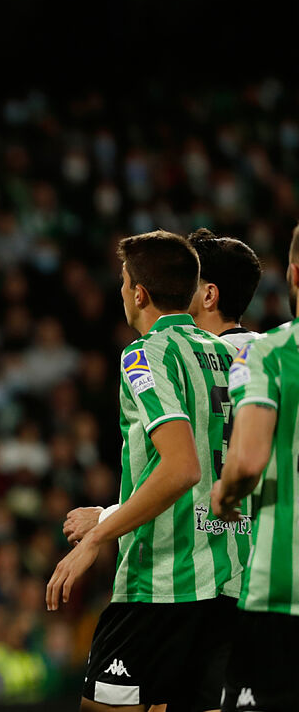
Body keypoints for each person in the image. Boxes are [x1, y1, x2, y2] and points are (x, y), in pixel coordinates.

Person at [46, 231, 244, 711]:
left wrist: (96, 538)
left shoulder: (144, 354)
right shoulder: (227, 355)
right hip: (225, 586)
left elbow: (181, 469)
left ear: (139, 292)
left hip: (157, 589)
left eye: (122, 282)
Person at [63, 229, 262, 544]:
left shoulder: (164, 357)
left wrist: (104, 520)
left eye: (189, 277)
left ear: (209, 295)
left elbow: (185, 473)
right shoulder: (269, 356)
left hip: (214, 558)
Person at [212, 224, 299, 712]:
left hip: (281, 590)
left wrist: (224, 497)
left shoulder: (263, 351)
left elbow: (246, 460)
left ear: (293, 273)